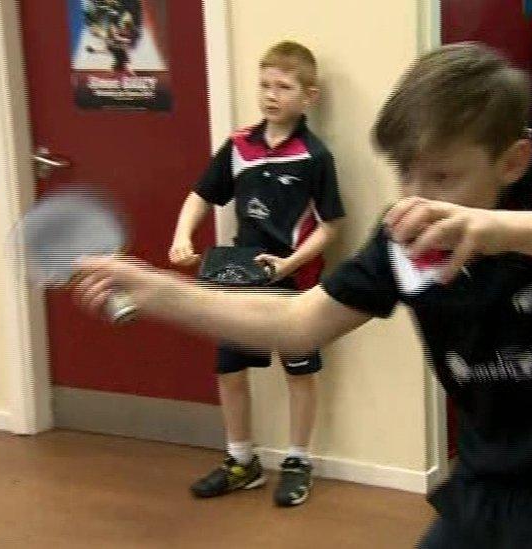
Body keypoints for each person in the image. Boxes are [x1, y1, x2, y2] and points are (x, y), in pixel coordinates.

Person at [74, 43, 532, 547]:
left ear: (512, 161)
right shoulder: (405, 234)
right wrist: (158, 292)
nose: (418, 195)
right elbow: (298, 325)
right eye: (407, 172)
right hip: (488, 486)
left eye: (444, 175)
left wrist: (494, 230)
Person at [167, 41, 345, 507]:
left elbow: (332, 228)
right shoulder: (240, 145)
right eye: (265, 85)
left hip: (294, 281)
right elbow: (200, 195)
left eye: (283, 87)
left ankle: (298, 460)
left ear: (309, 96)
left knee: (299, 373)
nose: (271, 95)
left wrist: (288, 264)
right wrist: (183, 234)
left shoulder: (315, 156)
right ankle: (241, 461)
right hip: (240, 278)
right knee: (229, 371)